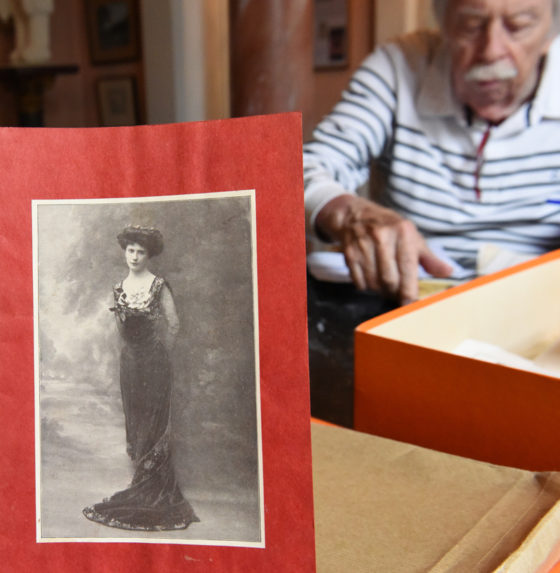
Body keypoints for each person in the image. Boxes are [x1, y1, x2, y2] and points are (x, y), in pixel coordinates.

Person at [304, 0, 560, 425]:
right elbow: (304, 167)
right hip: (410, 314)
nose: (492, 50)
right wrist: (347, 214)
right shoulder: (399, 66)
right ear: (442, 21)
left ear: (553, 25)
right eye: (471, 25)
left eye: (519, 25)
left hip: (540, 324)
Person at [83, 225, 199, 531]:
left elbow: (174, 325)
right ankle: (141, 481)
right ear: (125, 251)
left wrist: (159, 356)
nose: (134, 256)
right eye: (131, 250)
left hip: (155, 364)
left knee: (153, 422)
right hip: (130, 366)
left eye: (141, 252)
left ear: (149, 255)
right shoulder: (118, 287)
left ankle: (154, 489)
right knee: (135, 422)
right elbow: (122, 332)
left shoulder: (159, 285)